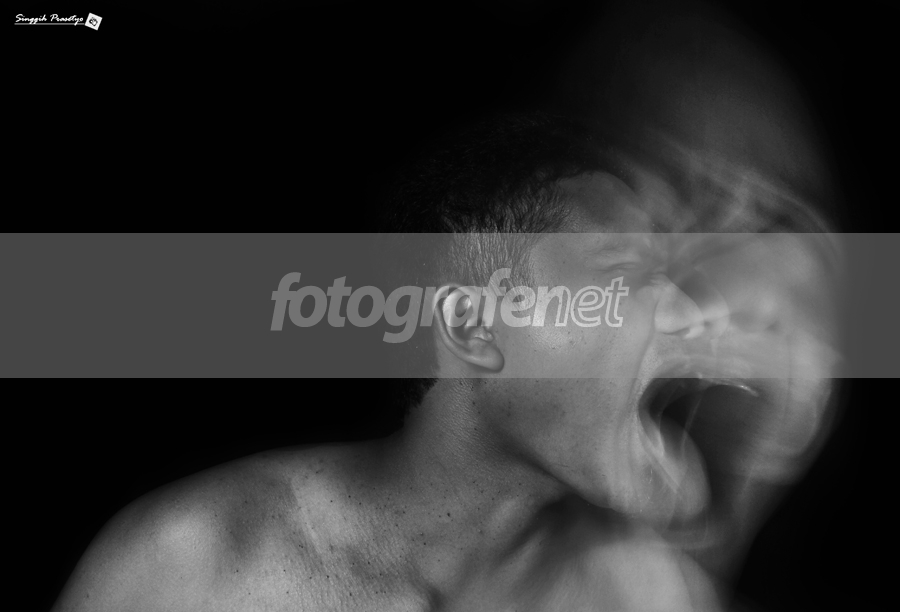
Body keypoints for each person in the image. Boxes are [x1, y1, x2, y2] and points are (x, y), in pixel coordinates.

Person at [52, 113, 839, 612]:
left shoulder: (633, 588)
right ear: (472, 324)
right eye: (625, 275)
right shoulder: (197, 568)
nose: (688, 312)